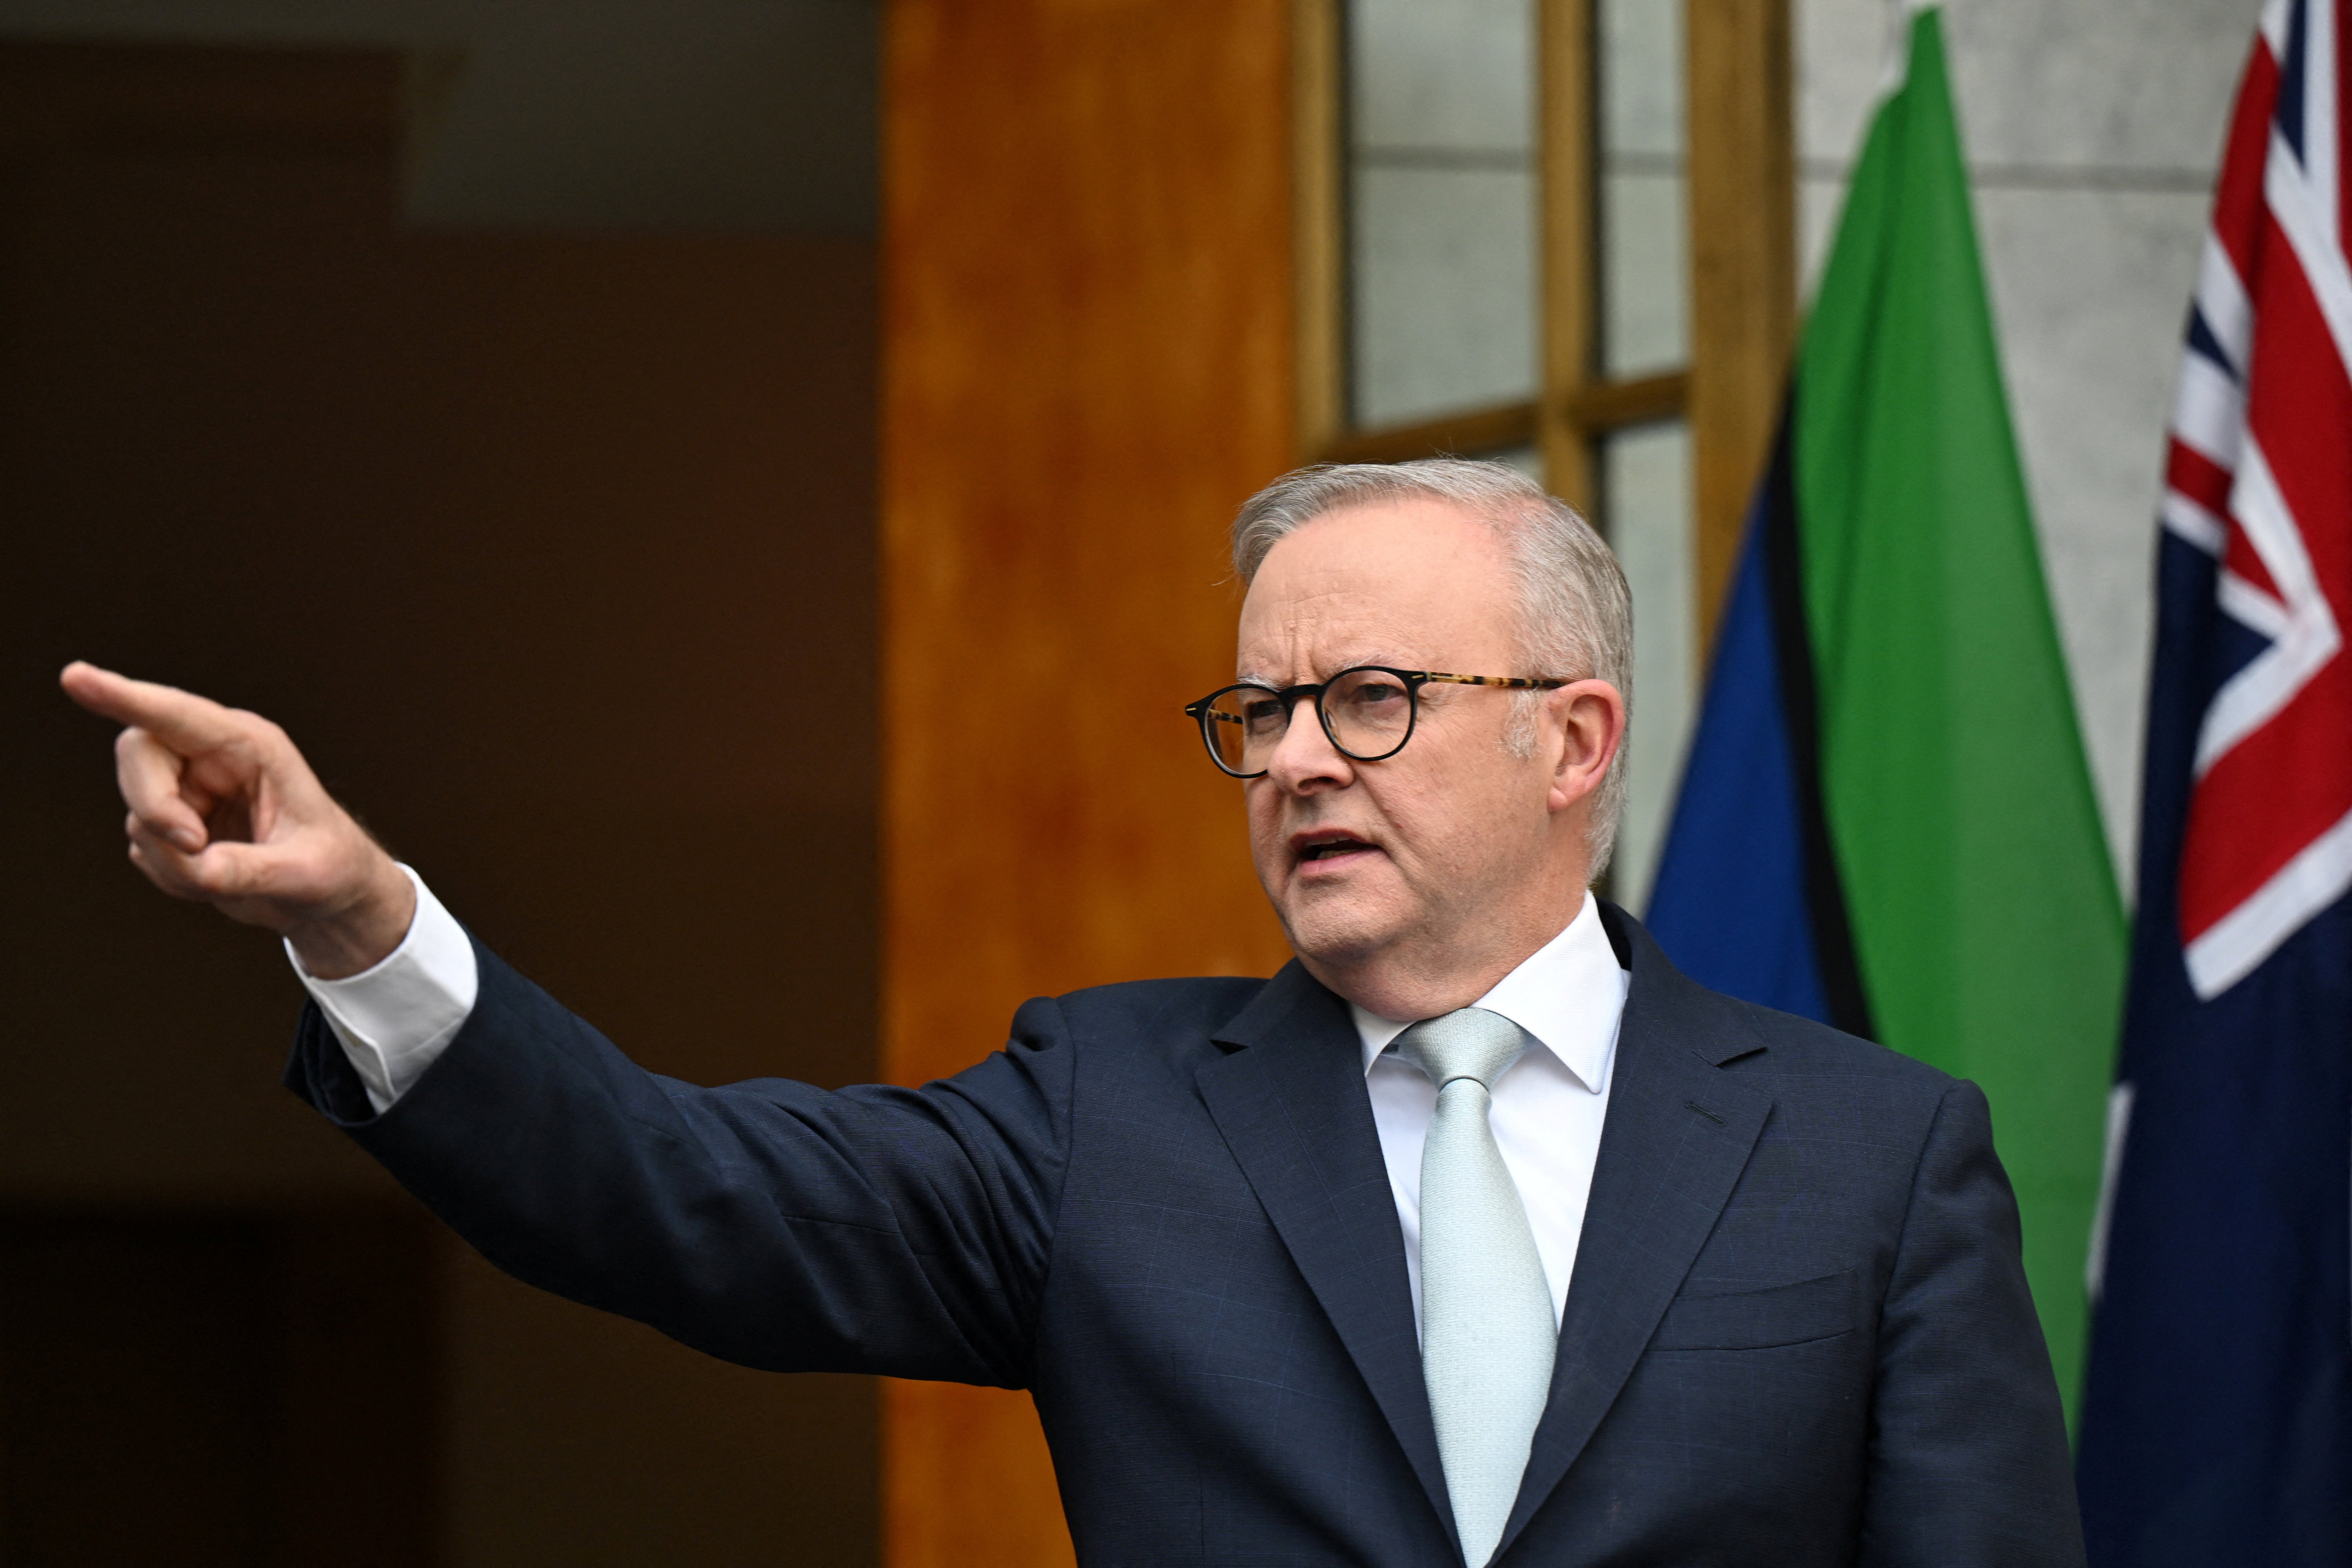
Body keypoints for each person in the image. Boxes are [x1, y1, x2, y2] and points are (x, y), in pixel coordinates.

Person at [62, 459, 2084, 1566]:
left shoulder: (1868, 1155)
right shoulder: (1108, 1114)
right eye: (1261, 711)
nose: (1295, 758)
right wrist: (363, 920)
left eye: (1367, 698)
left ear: (1574, 739)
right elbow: (662, 1187)